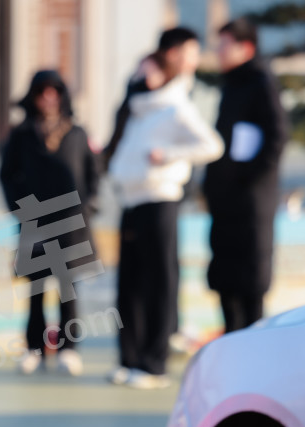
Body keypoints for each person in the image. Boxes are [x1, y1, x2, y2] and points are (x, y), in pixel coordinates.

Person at [108, 27, 224, 389]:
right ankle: (130, 359)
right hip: (131, 200)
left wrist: (169, 156)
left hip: (161, 200)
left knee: (159, 283)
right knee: (129, 284)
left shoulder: (177, 106)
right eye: (141, 69)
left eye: (151, 68)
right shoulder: (138, 108)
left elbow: (212, 145)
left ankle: (155, 363)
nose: (144, 75)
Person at [0, 70, 99, 377]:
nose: (48, 97)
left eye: (55, 90)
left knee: (69, 288)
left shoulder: (77, 132)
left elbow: (93, 172)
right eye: (42, 90)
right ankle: (34, 348)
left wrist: (89, 203)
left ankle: (69, 348)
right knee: (36, 288)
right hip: (35, 221)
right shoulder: (22, 134)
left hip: (72, 221)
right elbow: (6, 174)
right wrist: (20, 208)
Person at [204, 18, 289, 334]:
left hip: (251, 202)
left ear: (246, 47)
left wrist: (247, 178)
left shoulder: (260, 81)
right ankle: (232, 344)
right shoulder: (232, 84)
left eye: (225, 44)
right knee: (225, 279)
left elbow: (277, 136)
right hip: (226, 200)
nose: (219, 51)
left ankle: (251, 349)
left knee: (250, 282)